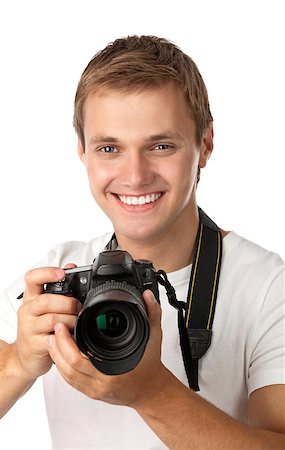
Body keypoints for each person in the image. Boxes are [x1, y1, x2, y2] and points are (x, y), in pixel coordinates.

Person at [0, 35, 284, 449]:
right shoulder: (56, 275)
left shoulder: (268, 287)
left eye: (161, 145)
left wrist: (151, 394)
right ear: (82, 150)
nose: (135, 176)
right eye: (109, 147)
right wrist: (20, 363)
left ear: (205, 144)